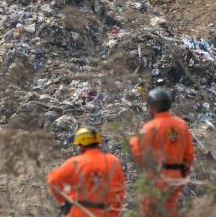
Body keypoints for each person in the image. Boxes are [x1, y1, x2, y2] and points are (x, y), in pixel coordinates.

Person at [129, 87, 194, 217]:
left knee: (150, 210)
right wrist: (182, 173)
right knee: (170, 208)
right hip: (177, 176)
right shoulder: (181, 125)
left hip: (158, 176)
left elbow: (135, 150)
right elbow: (190, 154)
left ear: (151, 107)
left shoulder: (150, 127)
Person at [47, 127, 125, 216]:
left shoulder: (75, 162)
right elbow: (120, 190)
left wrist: (63, 200)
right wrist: (114, 212)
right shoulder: (113, 161)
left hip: (79, 212)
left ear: (80, 145)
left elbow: (52, 181)